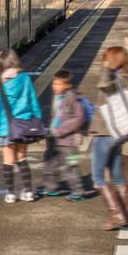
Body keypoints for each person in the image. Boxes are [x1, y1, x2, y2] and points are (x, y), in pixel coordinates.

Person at [0, 49, 42, 203]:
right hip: (24, 126)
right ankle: (28, 191)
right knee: (21, 158)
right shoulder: (25, 79)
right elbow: (34, 102)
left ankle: (10, 193)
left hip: (6, 130)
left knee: (8, 161)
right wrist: (39, 122)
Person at [88, 47, 128, 230]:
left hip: (105, 133)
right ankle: (126, 215)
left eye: (106, 59)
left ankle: (118, 215)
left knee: (98, 175)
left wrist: (108, 67)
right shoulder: (126, 78)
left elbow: (103, 85)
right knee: (116, 174)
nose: (103, 62)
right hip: (118, 133)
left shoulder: (113, 78)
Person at [40, 69, 86, 201]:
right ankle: (51, 187)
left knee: (71, 166)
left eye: (59, 84)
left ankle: (78, 191)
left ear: (68, 85)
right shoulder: (57, 98)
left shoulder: (73, 99)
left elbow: (79, 118)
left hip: (69, 141)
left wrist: (60, 130)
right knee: (49, 163)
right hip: (54, 140)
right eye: (54, 84)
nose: (55, 87)